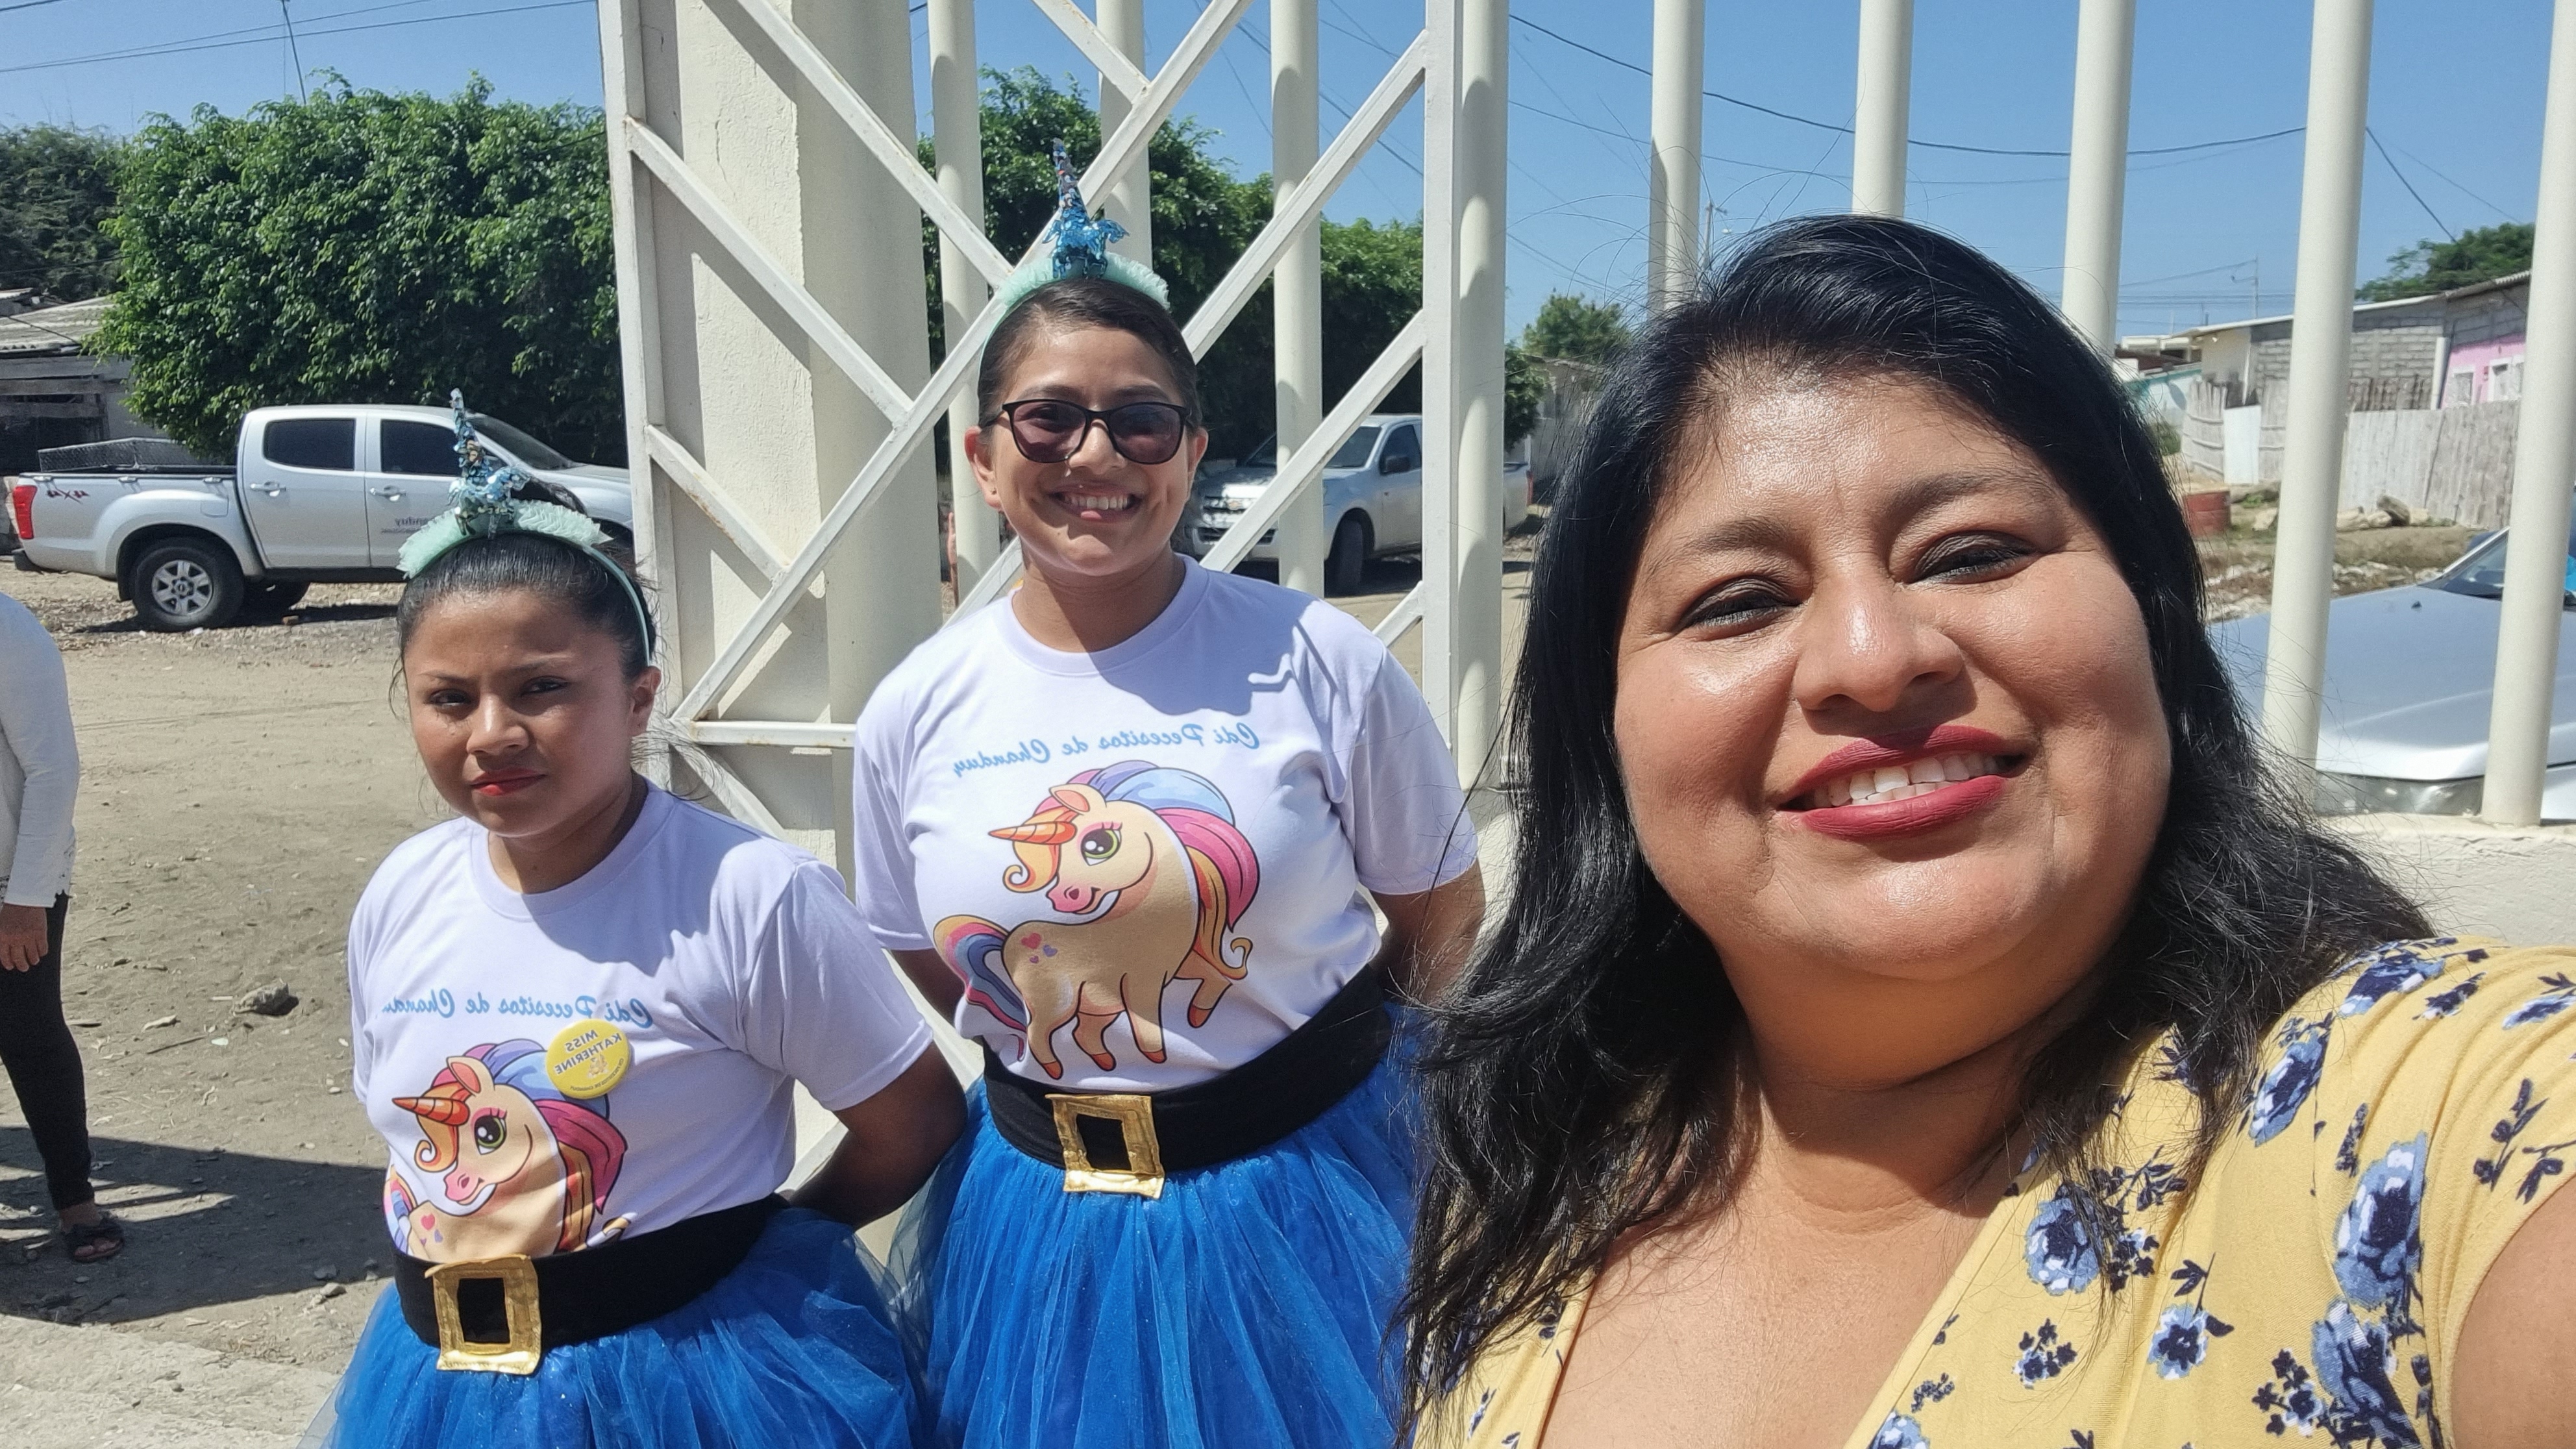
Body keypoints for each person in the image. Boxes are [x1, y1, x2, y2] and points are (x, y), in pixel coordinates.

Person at [1401, 216, 2576, 1449]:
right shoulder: (1535, 1153)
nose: (1872, 658)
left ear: (2151, 617)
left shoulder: (2421, 1121)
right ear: (1604, 730)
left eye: (1969, 553)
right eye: (1739, 601)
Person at [852, 145, 1484, 1449]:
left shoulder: (1320, 661)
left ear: (1190, 451)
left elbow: (1439, 918)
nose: (1096, 453)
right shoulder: (913, 710)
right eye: (1047, 419)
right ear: (982, 456)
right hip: (1034, 1221)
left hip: (1299, 1202)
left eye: (1140, 421)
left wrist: (1303, 1073)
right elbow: (927, 950)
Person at [312, 397, 961, 1449]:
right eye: (448, 698)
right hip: (437, 1387)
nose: (492, 734)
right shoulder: (402, 890)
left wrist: (768, 1249)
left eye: (542, 688)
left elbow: (913, 1119)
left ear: (639, 697)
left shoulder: (750, 896)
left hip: (685, 1386)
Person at [0, 586, 118, 1263]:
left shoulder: (8, 629)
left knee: (30, 1035)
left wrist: (26, 899)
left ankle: (76, 1201)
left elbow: (53, 769)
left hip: (11, 884)